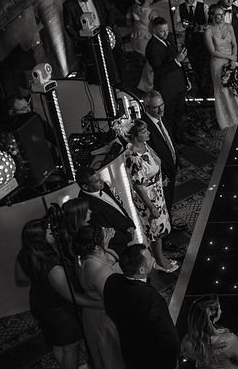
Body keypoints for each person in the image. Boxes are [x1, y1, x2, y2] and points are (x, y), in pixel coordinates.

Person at [105, 245, 196, 369]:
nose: (153, 258)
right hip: (158, 358)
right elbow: (167, 335)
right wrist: (172, 361)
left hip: (134, 351)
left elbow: (111, 310)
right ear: (141, 271)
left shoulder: (113, 282)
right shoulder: (149, 299)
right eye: (149, 258)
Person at [14, 219, 91, 369]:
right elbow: (70, 296)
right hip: (58, 309)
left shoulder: (25, 253)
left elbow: (20, 278)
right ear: (40, 238)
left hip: (40, 302)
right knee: (71, 346)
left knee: (57, 342)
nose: (53, 232)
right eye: (49, 232)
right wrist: (96, 303)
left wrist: (38, 278)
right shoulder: (52, 266)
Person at [71, 224, 142, 369]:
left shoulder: (83, 258)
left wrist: (106, 244)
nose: (106, 231)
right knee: (115, 353)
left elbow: (105, 261)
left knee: (107, 352)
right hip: (105, 317)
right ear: (95, 246)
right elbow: (114, 298)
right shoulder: (98, 271)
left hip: (94, 311)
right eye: (102, 234)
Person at [124, 120, 177, 273]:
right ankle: (159, 260)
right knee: (155, 230)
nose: (148, 133)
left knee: (160, 227)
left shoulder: (144, 146)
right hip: (148, 198)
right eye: (143, 131)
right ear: (135, 137)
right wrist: (151, 206)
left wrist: (161, 178)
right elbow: (138, 186)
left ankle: (160, 256)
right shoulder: (133, 157)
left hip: (157, 192)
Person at [141, 91, 184, 232]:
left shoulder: (161, 118)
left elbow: (168, 141)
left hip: (171, 168)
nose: (160, 110)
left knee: (169, 199)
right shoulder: (145, 128)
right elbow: (151, 155)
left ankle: (170, 223)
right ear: (146, 108)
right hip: (160, 176)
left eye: (162, 105)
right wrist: (162, 175)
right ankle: (166, 235)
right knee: (162, 204)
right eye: (155, 107)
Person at [206, 5, 238, 130]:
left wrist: (234, 57)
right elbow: (212, 51)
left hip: (231, 61)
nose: (221, 17)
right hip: (217, 63)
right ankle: (226, 118)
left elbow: (235, 44)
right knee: (222, 90)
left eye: (222, 14)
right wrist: (230, 57)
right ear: (212, 16)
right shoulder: (209, 30)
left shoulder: (229, 27)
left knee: (234, 87)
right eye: (218, 15)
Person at [145, 17, 189, 141]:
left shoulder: (168, 39)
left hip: (178, 83)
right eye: (162, 31)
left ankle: (180, 137)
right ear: (154, 30)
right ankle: (171, 141)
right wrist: (176, 61)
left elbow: (177, 62)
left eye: (166, 30)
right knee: (168, 116)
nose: (165, 33)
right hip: (166, 87)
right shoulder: (151, 47)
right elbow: (159, 71)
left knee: (180, 113)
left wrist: (185, 80)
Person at [75, 171, 135, 258]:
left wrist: (130, 224)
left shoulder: (103, 186)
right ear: (85, 186)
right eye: (97, 181)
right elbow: (104, 232)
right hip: (118, 247)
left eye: (100, 177)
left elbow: (117, 205)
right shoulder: (85, 205)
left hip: (129, 231)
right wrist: (128, 236)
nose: (102, 181)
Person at [62, 0, 114, 75]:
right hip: (87, 40)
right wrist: (80, 38)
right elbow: (68, 26)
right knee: (95, 67)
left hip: (102, 32)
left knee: (109, 61)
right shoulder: (69, 5)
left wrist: (109, 26)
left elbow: (109, 9)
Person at [179, 0, 210, 97]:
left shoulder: (204, 7)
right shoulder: (180, 8)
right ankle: (198, 90)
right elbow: (177, 26)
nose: (188, 0)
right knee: (194, 66)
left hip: (202, 41)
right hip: (190, 41)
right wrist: (184, 26)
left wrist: (201, 27)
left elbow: (208, 24)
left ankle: (206, 90)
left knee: (204, 66)